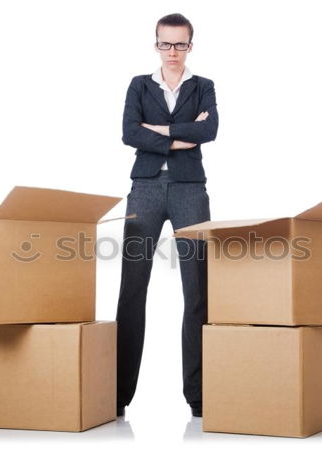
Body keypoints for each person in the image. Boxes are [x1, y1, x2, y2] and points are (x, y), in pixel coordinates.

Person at [115, 13, 219, 419]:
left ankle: (199, 397)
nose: (172, 52)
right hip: (145, 187)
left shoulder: (204, 86)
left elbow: (209, 131)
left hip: (190, 189)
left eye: (180, 44)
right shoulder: (139, 85)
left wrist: (156, 131)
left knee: (197, 290)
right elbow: (128, 131)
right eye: (165, 43)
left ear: (191, 46)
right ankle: (118, 394)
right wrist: (179, 135)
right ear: (155, 44)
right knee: (132, 288)